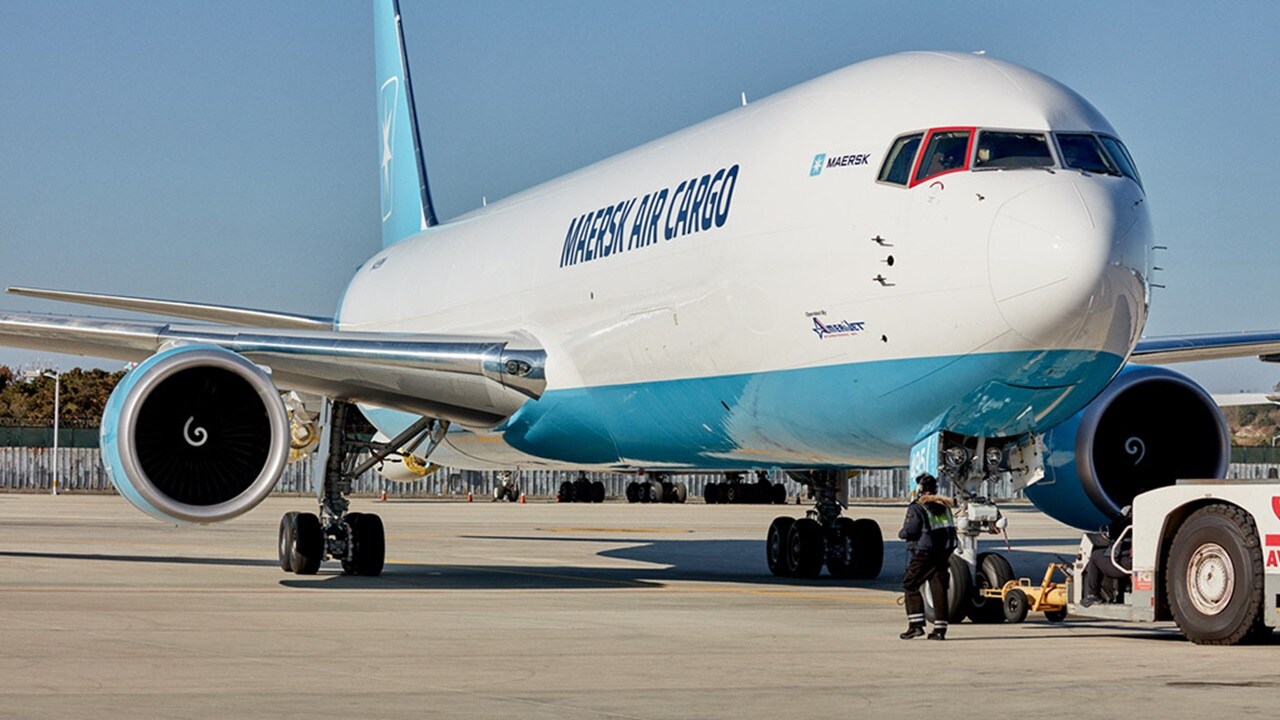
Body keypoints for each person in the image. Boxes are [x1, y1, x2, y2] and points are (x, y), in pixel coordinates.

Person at [898, 473, 958, 640]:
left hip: (923, 553)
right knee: (938, 587)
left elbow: (911, 530)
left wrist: (902, 533)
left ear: (919, 489)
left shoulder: (917, 507)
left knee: (910, 584)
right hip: (943, 552)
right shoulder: (945, 507)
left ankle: (916, 624)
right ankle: (940, 629)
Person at [1081, 506, 1133, 607]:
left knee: (1096, 555)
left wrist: (1121, 516)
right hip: (1132, 561)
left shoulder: (1127, 523)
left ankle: (1093, 594)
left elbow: (1113, 531)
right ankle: (1120, 595)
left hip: (1124, 564)